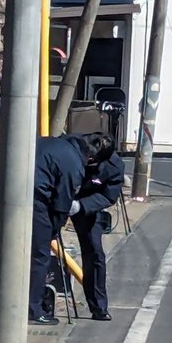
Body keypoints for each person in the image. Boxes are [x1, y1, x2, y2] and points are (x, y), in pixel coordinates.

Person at [29, 133, 102, 326]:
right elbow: (62, 204)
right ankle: (33, 309)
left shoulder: (51, 142)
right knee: (39, 255)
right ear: (90, 157)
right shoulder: (74, 164)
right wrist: (54, 229)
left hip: (14, 194)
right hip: (37, 201)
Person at [70, 133, 125, 321]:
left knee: (95, 253)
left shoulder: (114, 167)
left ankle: (99, 307)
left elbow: (109, 196)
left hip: (86, 205)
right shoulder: (71, 146)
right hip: (60, 192)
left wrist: (81, 206)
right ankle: (37, 303)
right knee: (41, 245)